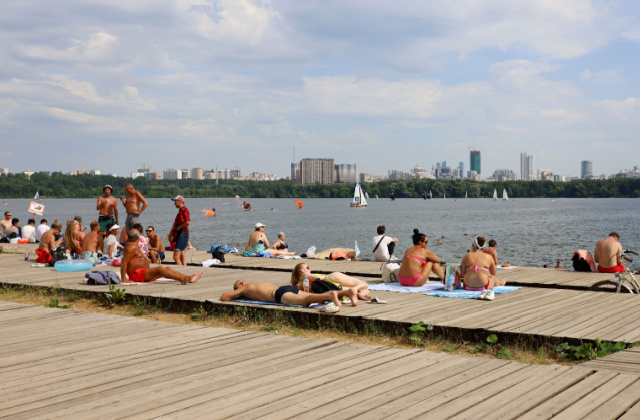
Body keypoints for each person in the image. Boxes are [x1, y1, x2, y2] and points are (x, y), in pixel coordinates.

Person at [122, 229, 202, 284]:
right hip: (136, 274)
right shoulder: (131, 247)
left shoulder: (134, 245)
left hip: (143, 273)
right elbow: (124, 262)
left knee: (168, 269)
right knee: (160, 268)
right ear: (138, 237)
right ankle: (182, 279)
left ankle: (187, 278)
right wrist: (124, 279)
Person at [220, 280, 351, 308]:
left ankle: (330, 295)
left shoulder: (244, 288)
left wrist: (236, 292)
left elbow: (224, 297)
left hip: (279, 294)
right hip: (286, 288)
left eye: (235, 288)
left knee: (306, 301)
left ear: (241, 283)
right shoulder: (256, 284)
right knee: (309, 298)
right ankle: (345, 292)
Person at [291, 262, 371, 303]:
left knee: (362, 288)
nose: (309, 270)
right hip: (329, 279)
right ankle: (357, 291)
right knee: (364, 285)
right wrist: (318, 278)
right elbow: (310, 276)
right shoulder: (305, 276)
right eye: (307, 267)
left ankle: (358, 292)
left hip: (328, 286)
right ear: (302, 270)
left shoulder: (302, 285)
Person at [169, 195, 190, 266]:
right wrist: (172, 232)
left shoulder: (184, 210)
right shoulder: (181, 211)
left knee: (176, 256)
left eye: (175, 201)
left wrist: (179, 228)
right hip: (180, 233)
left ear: (180, 201)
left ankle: (181, 271)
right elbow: (175, 223)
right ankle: (185, 270)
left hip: (182, 233)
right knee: (182, 255)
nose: (174, 203)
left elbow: (187, 222)